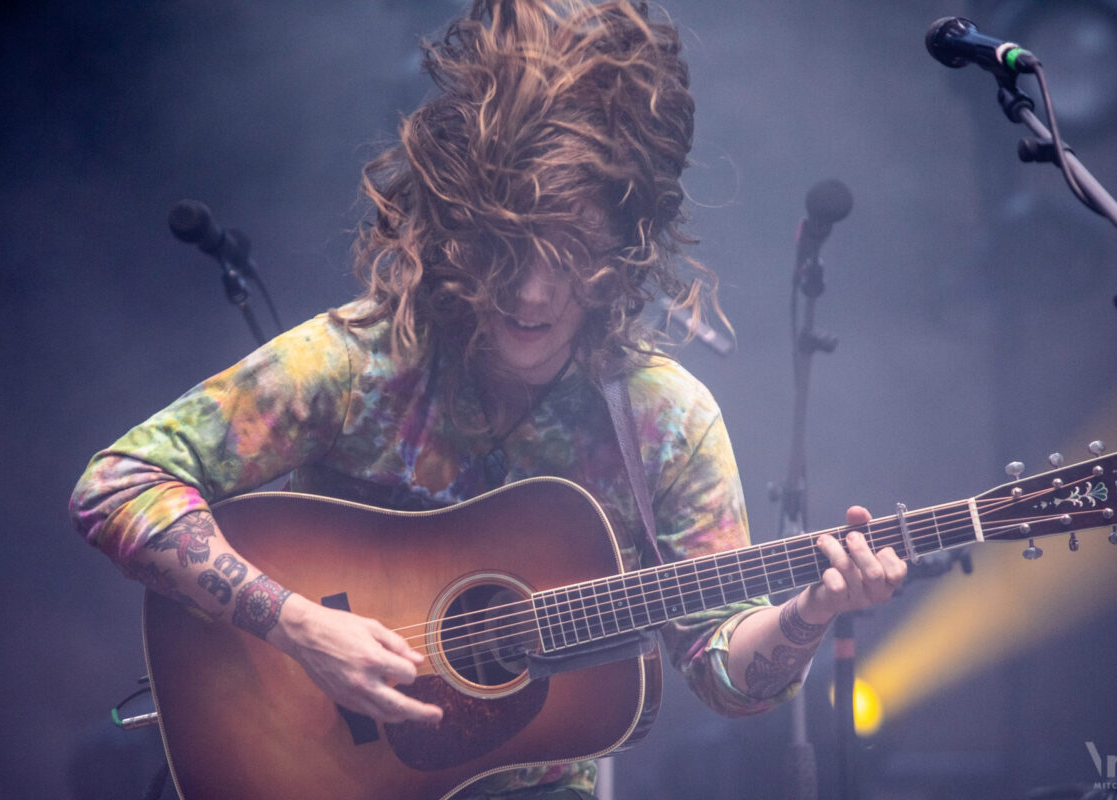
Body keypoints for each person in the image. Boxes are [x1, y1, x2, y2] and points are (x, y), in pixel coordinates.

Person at [70, 1, 907, 797]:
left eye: (571, 254)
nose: (534, 292)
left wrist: (809, 611)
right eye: (509, 247)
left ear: (620, 255)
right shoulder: (364, 358)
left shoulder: (668, 421)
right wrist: (297, 625)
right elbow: (117, 485)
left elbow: (728, 678)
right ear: (460, 230)